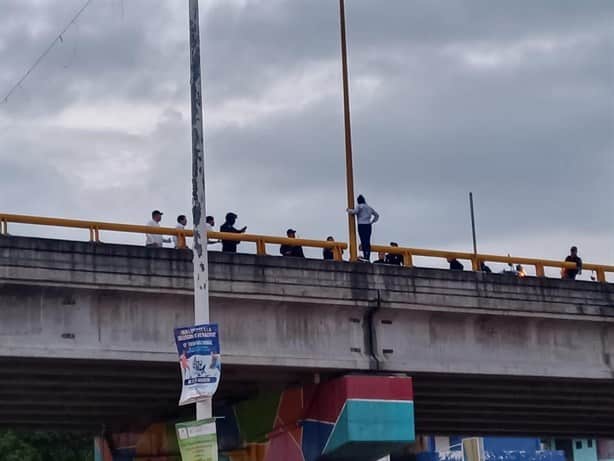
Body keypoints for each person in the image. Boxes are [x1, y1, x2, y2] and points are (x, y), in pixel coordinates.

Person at [346, 194, 379, 261]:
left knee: (363, 240)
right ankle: (368, 256)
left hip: (361, 224)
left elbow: (354, 212)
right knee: (367, 240)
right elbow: (377, 215)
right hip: (368, 225)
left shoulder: (360, 206)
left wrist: (348, 210)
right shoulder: (369, 207)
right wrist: (372, 221)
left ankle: (365, 255)